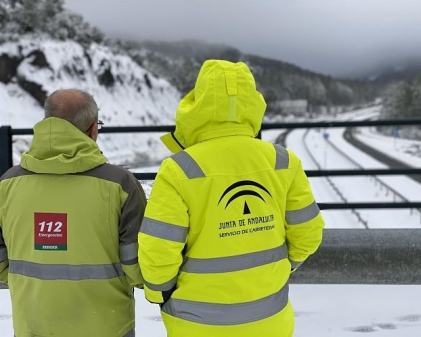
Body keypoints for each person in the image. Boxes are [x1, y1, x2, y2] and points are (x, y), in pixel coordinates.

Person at [138, 60, 325, 337]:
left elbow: (159, 250)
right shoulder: (284, 161)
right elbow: (308, 234)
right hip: (270, 320)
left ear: (197, 104)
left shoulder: (178, 169)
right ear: (253, 103)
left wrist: (159, 293)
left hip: (197, 324)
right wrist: (285, 266)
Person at [0, 89, 146, 337]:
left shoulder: (7, 184)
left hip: (32, 326)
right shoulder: (120, 184)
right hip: (106, 327)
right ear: (92, 130)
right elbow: (138, 268)